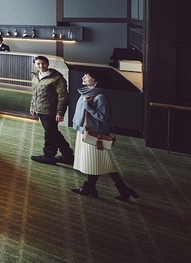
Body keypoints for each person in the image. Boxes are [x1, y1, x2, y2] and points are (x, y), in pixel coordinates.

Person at [70, 71, 139, 201]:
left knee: (100, 162)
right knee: (98, 162)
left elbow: (103, 118)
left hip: (95, 134)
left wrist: (87, 105)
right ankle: (97, 188)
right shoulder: (86, 93)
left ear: (96, 81)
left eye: (88, 76)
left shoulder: (100, 97)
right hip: (85, 131)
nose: (83, 77)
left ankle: (95, 188)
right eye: (84, 75)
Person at [29, 55, 74, 165]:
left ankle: (49, 156)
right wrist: (32, 106)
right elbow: (35, 94)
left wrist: (60, 112)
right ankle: (67, 155)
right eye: (38, 64)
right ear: (34, 64)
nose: (41, 66)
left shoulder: (57, 78)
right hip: (40, 109)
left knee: (49, 134)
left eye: (43, 63)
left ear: (48, 64)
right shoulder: (36, 76)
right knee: (53, 132)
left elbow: (63, 96)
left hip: (51, 111)